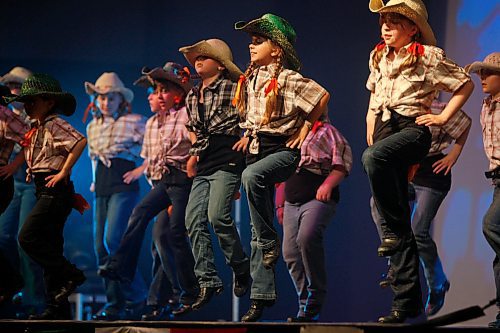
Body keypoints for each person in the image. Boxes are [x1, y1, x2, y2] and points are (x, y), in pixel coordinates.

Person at [362, 0, 474, 323]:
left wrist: (442, 119)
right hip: (385, 128)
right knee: (398, 222)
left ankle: (396, 236)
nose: (386, 26)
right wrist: (370, 120)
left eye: (395, 21)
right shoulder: (379, 56)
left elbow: (464, 84)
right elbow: (374, 93)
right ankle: (405, 302)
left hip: (413, 129)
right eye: (384, 20)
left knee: (372, 159)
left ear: (413, 28)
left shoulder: (428, 57)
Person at [232, 13, 330, 321]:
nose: (252, 45)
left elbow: (321, 96)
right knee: (254, 230)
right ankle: (260, 298)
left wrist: (303, 130)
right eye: (251, 41)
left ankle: (269, 239)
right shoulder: (251, 78)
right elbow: (255, 118)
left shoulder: (287, 77)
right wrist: (248, 135)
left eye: (259, 41)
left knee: (252, 179)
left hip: (282, 152)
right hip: (258, 150)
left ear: (277, 49)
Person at [98, 63, 199, 318]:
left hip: (184, 182)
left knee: (170, 235)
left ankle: (184, 292)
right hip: (164, 183)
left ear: (178, 94)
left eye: (164, 91)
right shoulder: (154, 123)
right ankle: (120, 267)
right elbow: (153, 164)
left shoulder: (186, 115)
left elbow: (197, 146)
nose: (157, 96)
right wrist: (159, 195)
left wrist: (192, 161)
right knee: (141, 215)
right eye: (157, 91)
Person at [371, 101, 471, 317]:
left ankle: (437, 283)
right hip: (407, 171)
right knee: (376, 203)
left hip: (432, 173)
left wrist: (453, 155)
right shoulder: (400, 105)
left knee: (418, 232)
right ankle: (395, 261)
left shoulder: (439, 107)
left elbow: (464, 125)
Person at [9, 73, 88, 320]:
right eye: (26, 102)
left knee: (27, 236)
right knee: (51, 245)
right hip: (44, 188)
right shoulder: (36, 127)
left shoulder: (54, 123)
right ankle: (57, 307)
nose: (27, 106)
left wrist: (64, 171)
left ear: (49, 102)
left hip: (56, 189)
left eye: (33, 101)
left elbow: (79, 141)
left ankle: (71, 274)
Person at [179, 38, 250, 311]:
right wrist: (194, 154)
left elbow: (249, 116)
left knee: (218, 216)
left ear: (220, 66)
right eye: (196, 57)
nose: (198, 61)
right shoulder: (192, 95)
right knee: (193, 220)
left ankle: (240, 267)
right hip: (206, 161)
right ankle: (207, 280)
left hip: (228, 155)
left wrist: (247, 136)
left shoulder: (233, 87)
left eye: (204, 57)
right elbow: (192, 127)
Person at [276, 115, 352, 322]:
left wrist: (327, 185)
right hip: (292, 201)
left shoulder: (327, 132)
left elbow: (342, 164)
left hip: (316, 197)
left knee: (306, 238)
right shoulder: (290, 133)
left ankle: (315, 297)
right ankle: (305, 305)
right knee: (290, 252)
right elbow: (283, 174)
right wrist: (280, 205)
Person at [84, 72, 147, 320]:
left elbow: (153, 146)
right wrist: (92, 181)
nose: (105, 103)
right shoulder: (92, 126)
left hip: (123, 181)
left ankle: (137, 294)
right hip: (101, 183)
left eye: (110, 98)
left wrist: (141, 170)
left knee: (114, 240)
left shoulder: (135, 121)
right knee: (100, 247)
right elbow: (92, 158)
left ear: (120, 99)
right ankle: (114, 304)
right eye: (101, 98)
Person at [0, 66, 45, 317]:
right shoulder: (7, 114)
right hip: (12, 184)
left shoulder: (32, 116)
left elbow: (31, 143)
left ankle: (34, 299)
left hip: (29, 182)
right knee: (3, 237)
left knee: (23, 239)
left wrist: (14, 164)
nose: (14, 90)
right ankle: (15, 285)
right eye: (11, 86)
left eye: (19, 87)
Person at [466, 52, 500, 328]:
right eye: (480, 72)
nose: (482, 78)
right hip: (497, 180)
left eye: (488, 73)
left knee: (491, 225)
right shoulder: (486, 106)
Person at [0, 83, 28, 309]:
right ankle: (10, 282)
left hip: (3, 179)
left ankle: (12, 282)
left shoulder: (6, 116)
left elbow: (30, 139)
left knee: (15, 236)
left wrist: (13, 164)